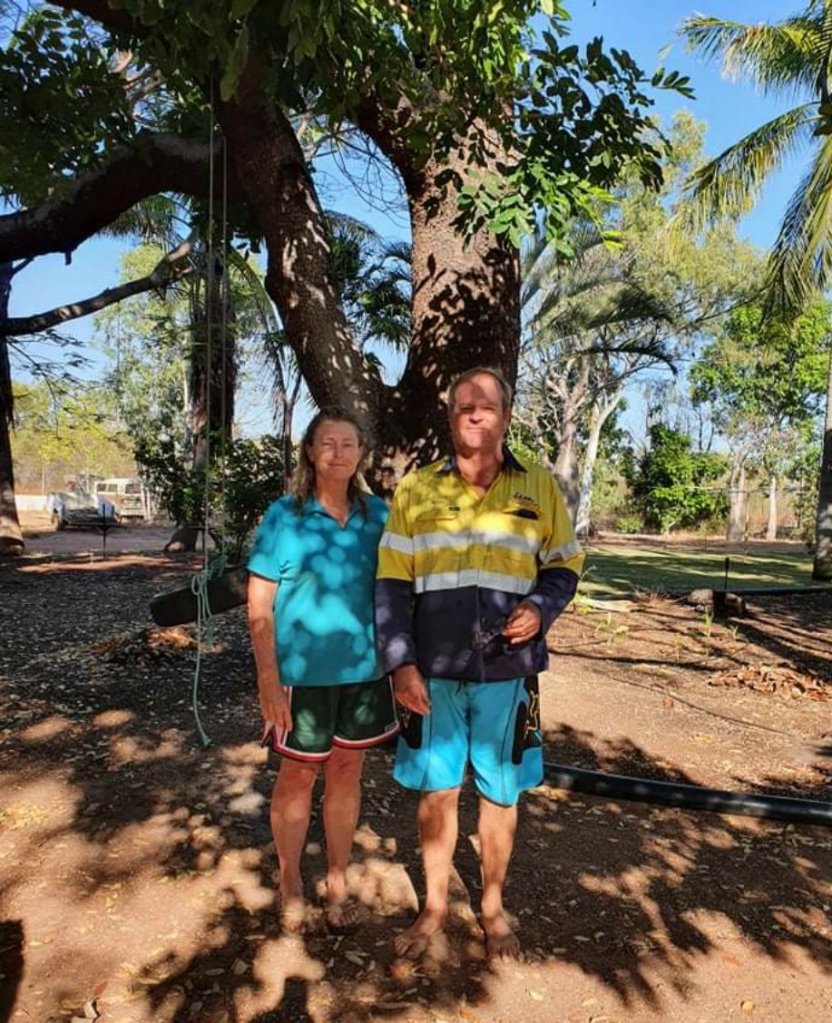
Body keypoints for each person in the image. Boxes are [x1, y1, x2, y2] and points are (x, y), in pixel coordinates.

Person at [375, 367, 584, 961]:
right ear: (450, 417)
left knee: (501, 793)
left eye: (486, 405)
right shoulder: (416, 490)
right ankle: (435, 907)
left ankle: (492, 909)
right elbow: (391, 582)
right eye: (463, 405)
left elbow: (565, 563)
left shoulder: (538, 487)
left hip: (508, 672)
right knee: (437, 792)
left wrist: (540, 609)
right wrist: (400, 663)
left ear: (505, 417)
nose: (474, 414)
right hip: (432, 675)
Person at [248, 409, 398, 932]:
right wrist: (268, 680)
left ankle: (337, 878)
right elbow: (259, 605)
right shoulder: (284, 516)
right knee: (298, 774)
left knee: (347, 771)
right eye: (327, 442)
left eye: (348, 443)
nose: (337, 452)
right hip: (301, 676)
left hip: (365, 673)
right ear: (310, 452)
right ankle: (290, 881)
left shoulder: (379, 516)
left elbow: (400, 589)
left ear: (361, 454)